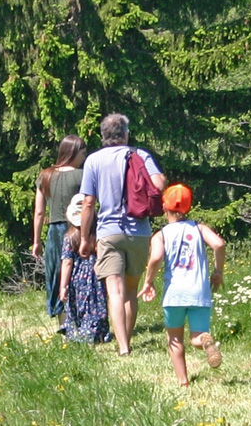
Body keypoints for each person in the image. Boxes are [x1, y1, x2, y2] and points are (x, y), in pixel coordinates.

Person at [79, 113, 166, 355]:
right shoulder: (140, 155)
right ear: (126, 134)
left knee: (114, 291)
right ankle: (126, 337)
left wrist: (85, 238)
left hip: (108, 232)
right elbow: (159, 185)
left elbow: (88, 203)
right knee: (130, 291)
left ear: (103, 135)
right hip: (139, 231)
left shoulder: (93, 161)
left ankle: (123, 347)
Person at [137, 184, 225, 387]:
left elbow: (157, 257)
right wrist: (218, 272)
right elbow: (219, 245)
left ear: (164, 207)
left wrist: (148, 281)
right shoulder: (199, 228)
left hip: (174, 294)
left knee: (175, 338)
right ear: (188, 207)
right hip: (199, 292)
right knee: (197, 337)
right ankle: (205, 340)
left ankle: (183, 382)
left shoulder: (161, 234)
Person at [32, 135, 87, 323]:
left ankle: (62, 322)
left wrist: (36, 241)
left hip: (54, 231)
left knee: (56, 273)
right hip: (77, 229)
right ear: (73, 152)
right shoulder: (82, 175)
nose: (84, 156)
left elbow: (39, 212)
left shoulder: (45, 175)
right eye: (82, 152)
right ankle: (79, 320)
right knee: (78, 273)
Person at [58, 194, 112, 343]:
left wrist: (63, 285)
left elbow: (67, 262)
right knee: (97, 304)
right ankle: (99, 333)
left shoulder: (70, 237)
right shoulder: (97, 234)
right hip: (96, 275)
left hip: (77, 278)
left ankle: (79, 332)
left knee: (78, 305)